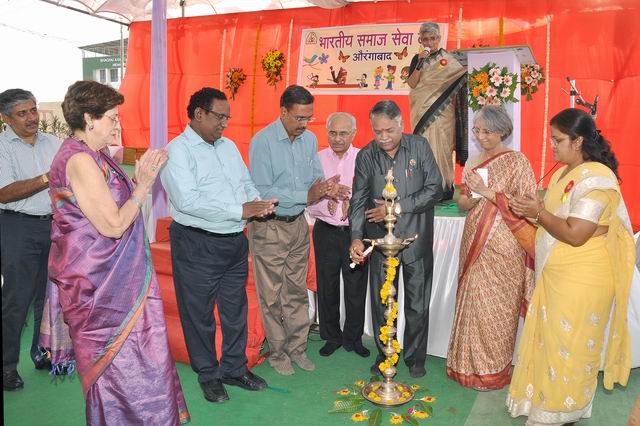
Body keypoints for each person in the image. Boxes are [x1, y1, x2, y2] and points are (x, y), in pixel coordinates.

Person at [46, 81, 189, 424]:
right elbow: (112, 226)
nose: (116, 124)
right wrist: (142, 186)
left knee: (142, 362)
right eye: (111, 117)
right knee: (118, 373)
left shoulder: (95, 156)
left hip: (117, 281)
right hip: (100, 291)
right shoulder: (79, 160)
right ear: (88, 119)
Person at [507, 108, 635, 425]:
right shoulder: (565, 173)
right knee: (552, 346)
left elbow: (576, 233)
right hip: (558, 275)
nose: (552, 146)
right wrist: (530, 210)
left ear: (578, 141)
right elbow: (552, 220)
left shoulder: (597, 178)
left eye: (558, 140)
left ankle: (561, 413)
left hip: (583, 278)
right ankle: (548, 409)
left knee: (572, 347)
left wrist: (539, 212)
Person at [161, 87, 276, 403]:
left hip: (234, 243)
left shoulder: (229, 147)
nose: (225, 122)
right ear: (199, 113)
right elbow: (187, 201)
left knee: (234, 310)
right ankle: (209, 376)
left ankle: (235, 370)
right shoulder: (177, 152)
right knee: (198, 315)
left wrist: (257, 202)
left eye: (227, 117)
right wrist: (240, 211)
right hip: (197, 244)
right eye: (219, 116)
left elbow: (245, 183)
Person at [248, 85, 347, 375]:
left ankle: (297, 348)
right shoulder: (262, 142)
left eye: (309, 118)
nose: (304, 124)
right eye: (299, 118)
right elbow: (263, 190)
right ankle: (278, 354)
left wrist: (328, 188)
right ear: (283, 112)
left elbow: (315, 176)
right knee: (271, 295)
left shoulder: (309, 140)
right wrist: (308, 195)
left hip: (298, 227)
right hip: (269, 227)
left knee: (296, 292)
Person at [349, 100, 443, 378]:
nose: (383, 137)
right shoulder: (366, 156)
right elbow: (358, 200)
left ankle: (415, 357)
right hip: (379, 244)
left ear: (402, 124)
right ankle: (384, 353)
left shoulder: (419, 147)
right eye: (377, 131)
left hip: (415, 239)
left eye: (389, 130)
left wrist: (396, 208)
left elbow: (435, 188)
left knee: (417, 303)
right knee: (382, 303)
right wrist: (356, 237)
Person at [446, 105, 536, 390]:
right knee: (472, 302)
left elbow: (528, 206)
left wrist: (487, 193)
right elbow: (462, 202)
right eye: (477, 130)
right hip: (474, 238)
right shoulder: (473, 160)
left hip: (505, 245)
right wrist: (472, 197)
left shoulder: (517, 162)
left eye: (487, 131)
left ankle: (493, 371)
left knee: (497, 309)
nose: (480, 136)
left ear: (502, 132)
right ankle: (464, 368)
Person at [0, 88, 61, 391]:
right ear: (5, 118)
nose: (32, 118)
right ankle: (6, 366)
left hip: (53, 227)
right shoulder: (2, 147)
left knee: (47, 297)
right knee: (16, 300)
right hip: (16, 227)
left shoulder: (54, 142)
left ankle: (42, 353)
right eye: (22, 113)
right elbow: (4, 193)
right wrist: (47, 177)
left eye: (34, 110)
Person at [306, 112, 369, 358]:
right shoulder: (317, 160)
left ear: (353, 134)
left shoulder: (364, 158)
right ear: (327, 132)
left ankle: (354, 338)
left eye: (344, 133)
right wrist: (326, 197)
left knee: (356, 286)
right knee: (327, 285)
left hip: (356, 233)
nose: (338, 138)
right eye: (333, 133)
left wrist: (348, 197)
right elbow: (308, 202)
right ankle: (331, 336)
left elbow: (373, 196)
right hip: (326, 231)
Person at [407, 22, 467, 200]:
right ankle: (425, 187)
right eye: (425, 39)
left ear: (439, 39)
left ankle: (444, 188)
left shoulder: (448, 59)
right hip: (421, 112)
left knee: (442, 148)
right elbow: (412, 84)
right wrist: (419, 63)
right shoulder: (416, 59)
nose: (429, 42)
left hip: (443, 113)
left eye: (432, 38)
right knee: (424, 148)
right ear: (420, 40)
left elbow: (460, 79)